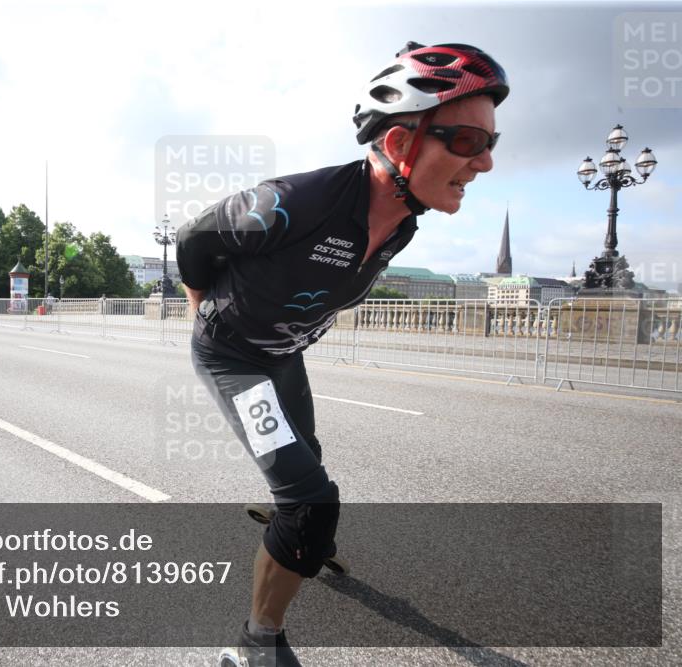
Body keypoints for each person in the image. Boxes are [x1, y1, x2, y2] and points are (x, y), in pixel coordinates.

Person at [175, 42, 509, 666]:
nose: (484, 162)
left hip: (284, 357)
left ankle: (297, 540)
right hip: (236, 361)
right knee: (310, 500)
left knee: (308, 466)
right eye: (467, 140)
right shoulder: (294, 204)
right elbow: (194, 238)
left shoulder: (407, 221)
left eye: (493, 142)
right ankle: (255, 643)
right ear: (400, 144)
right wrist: (203, 309)